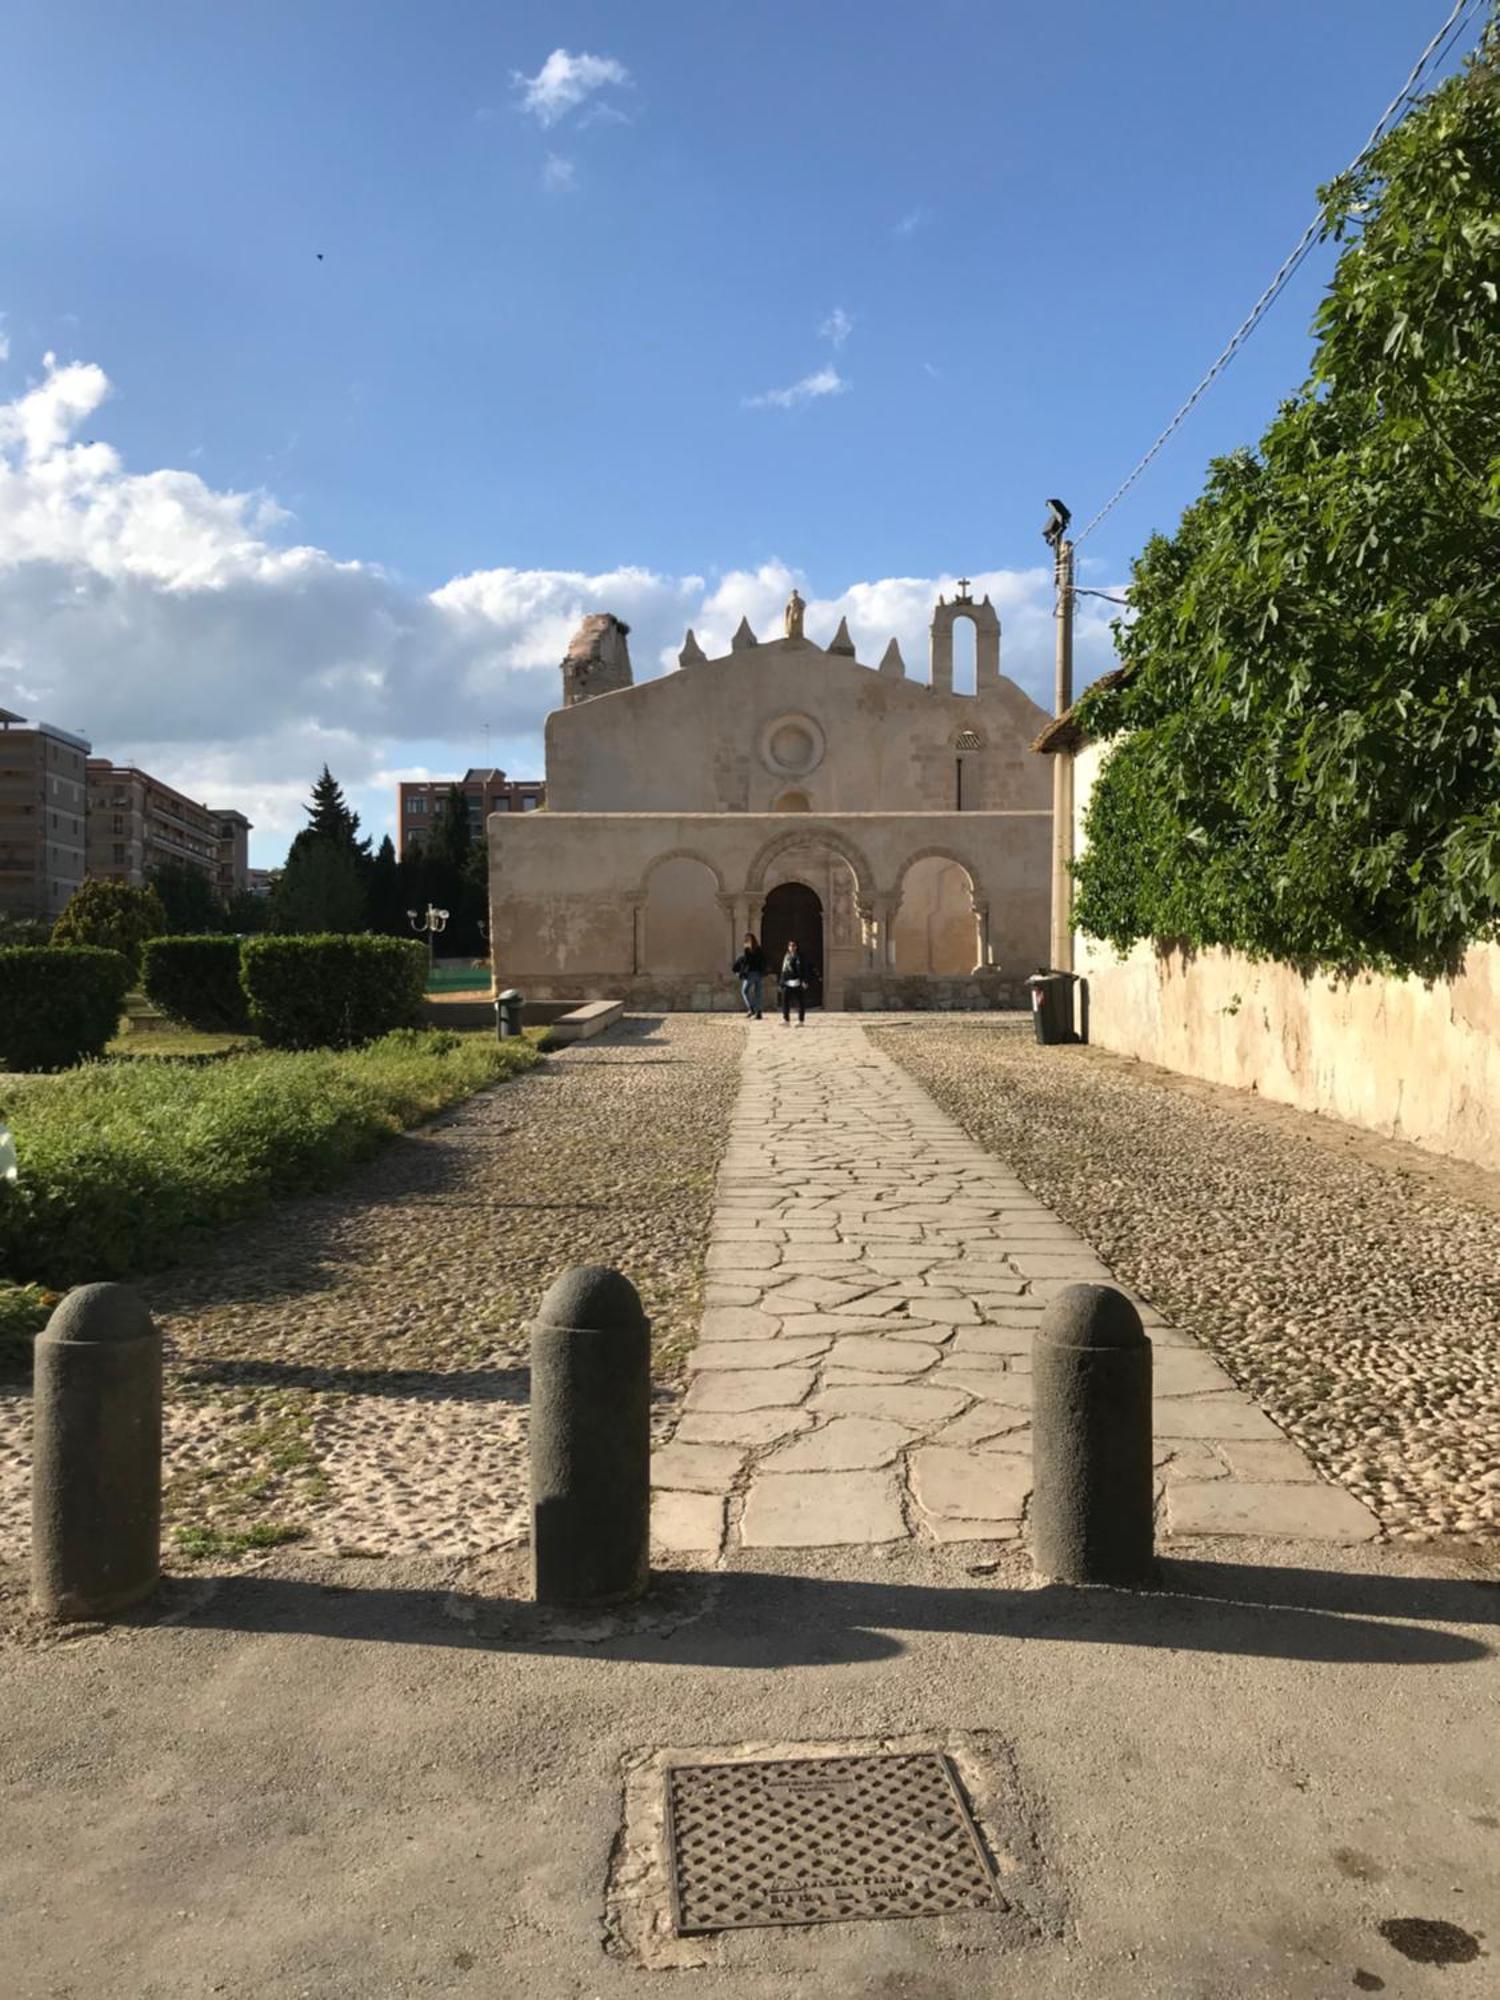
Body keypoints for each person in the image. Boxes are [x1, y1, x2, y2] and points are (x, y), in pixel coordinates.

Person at [732, 933, 766, 1018]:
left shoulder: (750, 950)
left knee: (745, 991)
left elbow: (747, 961)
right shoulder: (758, 950)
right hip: (758, 973)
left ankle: (752, 1009)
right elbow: (762, 960)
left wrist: (746, 951)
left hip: (752, 973)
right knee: (758, 993)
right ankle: (758, 1012)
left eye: (748, 940)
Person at [778, 939, 810, 1026]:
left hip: (797, 982)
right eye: (790, 945)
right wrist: (781, 982)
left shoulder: (800, 957)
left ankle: (801, 1020)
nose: (791, 947)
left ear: (796, 947)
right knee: (785, 1001)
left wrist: (804, 981)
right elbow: (783, 970)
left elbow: (804, 970)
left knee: (800, 1002)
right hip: (787, 982)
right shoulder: (786, 956)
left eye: (793, 945)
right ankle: (786, 1020)